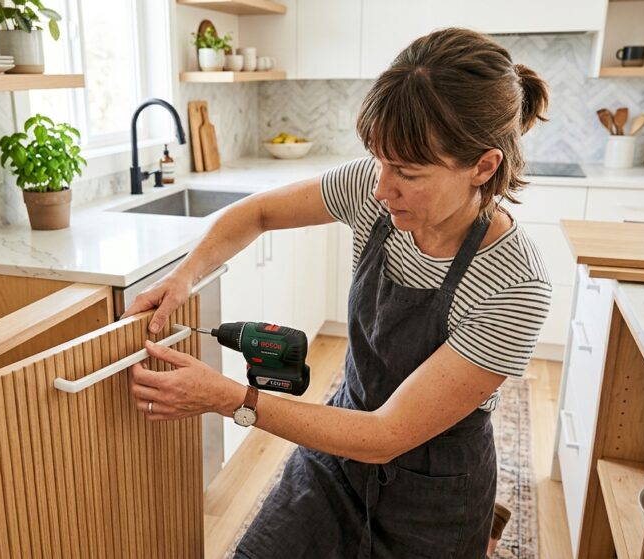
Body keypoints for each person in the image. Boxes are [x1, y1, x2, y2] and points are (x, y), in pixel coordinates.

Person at [122, 27, 551, 558]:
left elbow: (388, 435)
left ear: (483, 167)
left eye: (408, 173)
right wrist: (185, 274)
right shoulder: (374, 196)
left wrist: (229, 398)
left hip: (434, 488)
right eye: (379, 160)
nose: (380, 187)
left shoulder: (515, 284)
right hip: (339, 447)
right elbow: (257, 212)